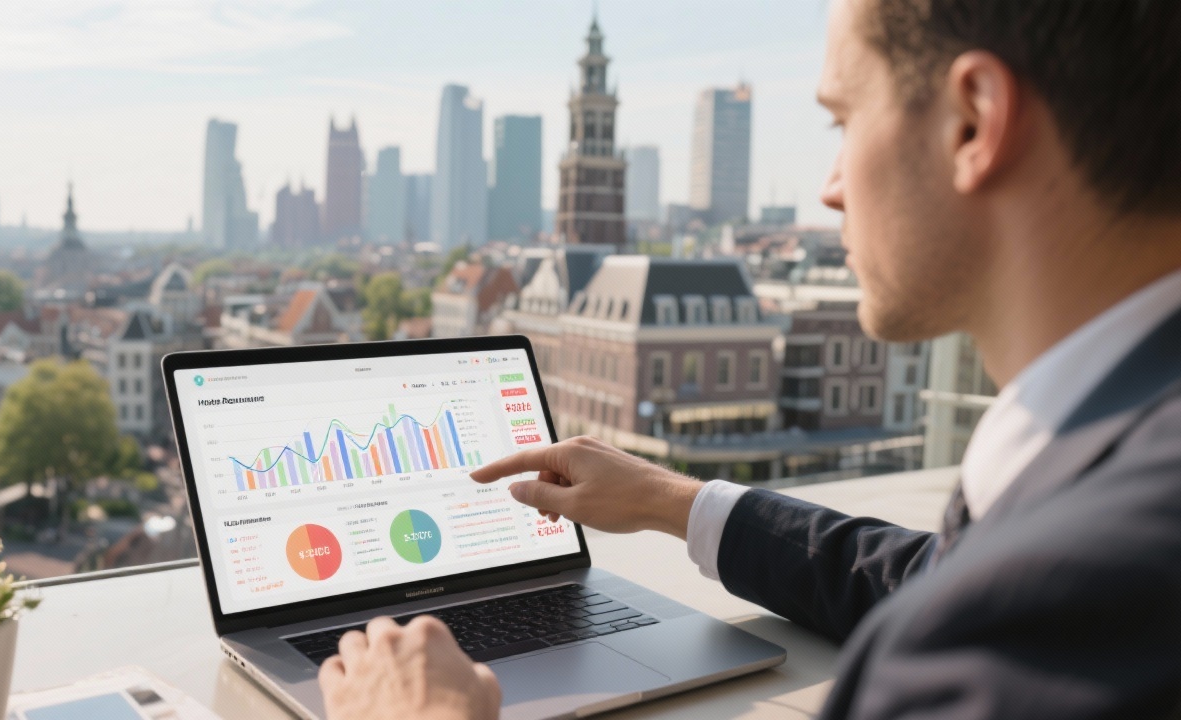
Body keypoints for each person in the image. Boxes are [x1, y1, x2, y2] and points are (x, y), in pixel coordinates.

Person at [318, 0, 1181, 716]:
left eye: (842, 122)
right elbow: (941, 578)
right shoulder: (1120, 463)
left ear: (972, 123)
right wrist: (680, 503)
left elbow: (988, 611)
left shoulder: (1070, 602)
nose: (829, 186)